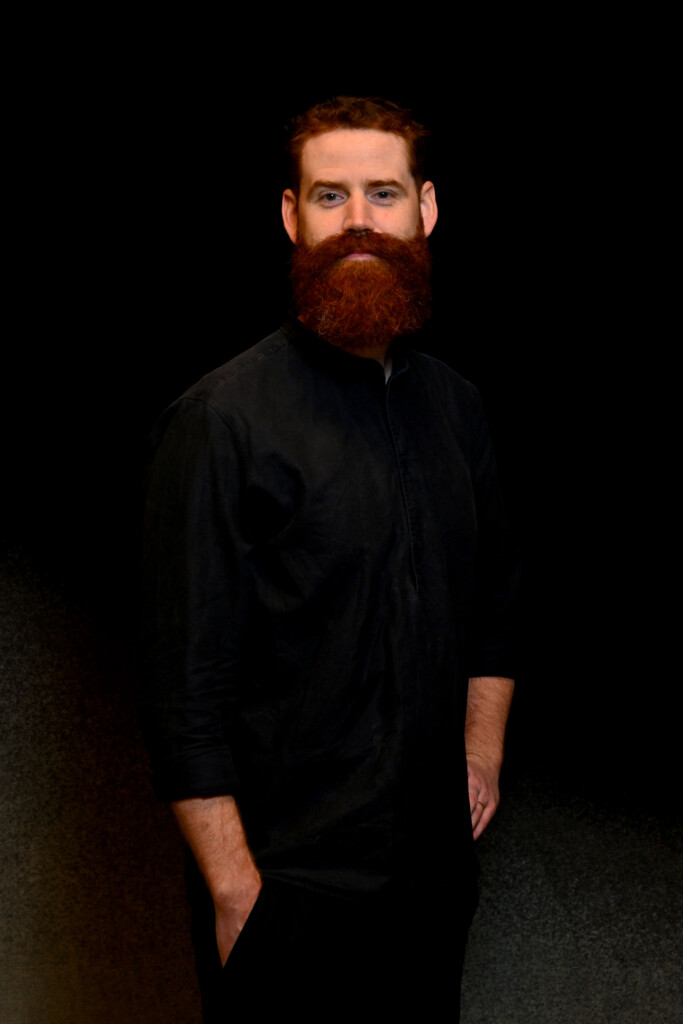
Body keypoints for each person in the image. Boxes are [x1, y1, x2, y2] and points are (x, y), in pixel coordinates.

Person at [139, 95, 520, 1022]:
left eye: (382, 193)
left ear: (425, 209)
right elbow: (180, 690)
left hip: (431, 884)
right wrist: (237, 893)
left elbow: (495, 604)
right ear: (291, 216)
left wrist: (479, 752)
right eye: (329, 195)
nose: (358, 220)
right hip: (287, 891)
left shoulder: (457, 407)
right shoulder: (219, 420)